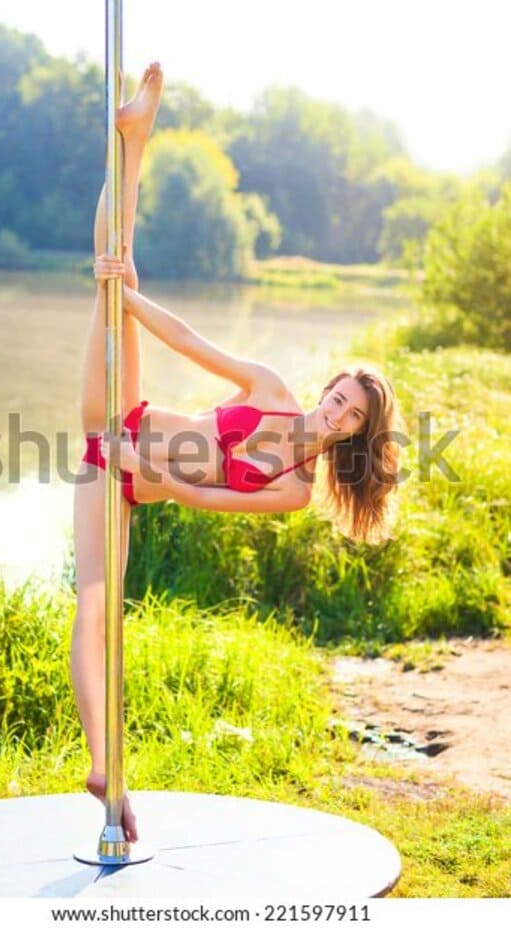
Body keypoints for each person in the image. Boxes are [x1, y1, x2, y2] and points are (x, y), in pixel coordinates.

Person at [72, 62, 402, 842]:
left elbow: (211, 499)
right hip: (123, 417)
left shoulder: (294, 487)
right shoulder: (271, 389)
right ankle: (134, 140)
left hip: (114, 474)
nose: (333, 411)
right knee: (109, 271)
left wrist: (140, 472)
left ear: (355, 435)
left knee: (97, 609)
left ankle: (101, 763)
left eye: (348, 415)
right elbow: (191, 340)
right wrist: (130, 292)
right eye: (336, 396)